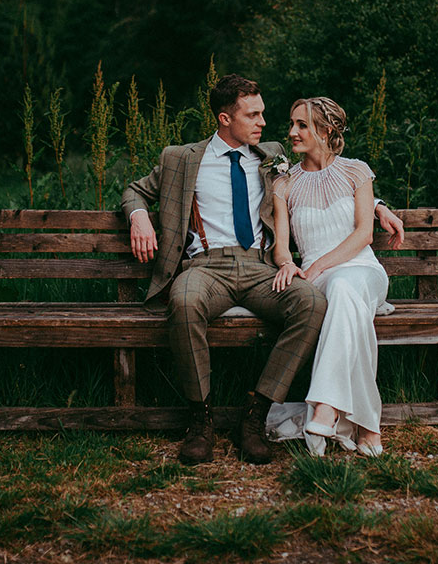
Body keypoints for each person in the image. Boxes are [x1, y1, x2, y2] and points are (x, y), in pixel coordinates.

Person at [122, 75, 404, 465]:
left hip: (261, 267)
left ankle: (255, 417)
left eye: (263, 114)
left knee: (310, 303)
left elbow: (329, 173)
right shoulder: (182, 158)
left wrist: (378, 205)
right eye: (252, 115)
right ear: (225, 118)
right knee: (183, 301)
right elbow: (135, 190)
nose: (263, 123)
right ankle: (199, 420)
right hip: (207, 267)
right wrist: (139, 216)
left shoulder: (272, 154)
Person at [271, 97, 397, 457]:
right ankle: (368, 428)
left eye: (302, 125)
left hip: (363, 270)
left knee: (345, 288)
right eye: (292, 123)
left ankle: (325, 406)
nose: (292, 131)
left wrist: (316, 267)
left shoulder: (357, 171)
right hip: (321, 279)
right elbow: (281, 245)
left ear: (325, 131)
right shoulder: (284, 183)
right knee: (343, 298)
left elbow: (364, 234)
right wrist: (286, 264)